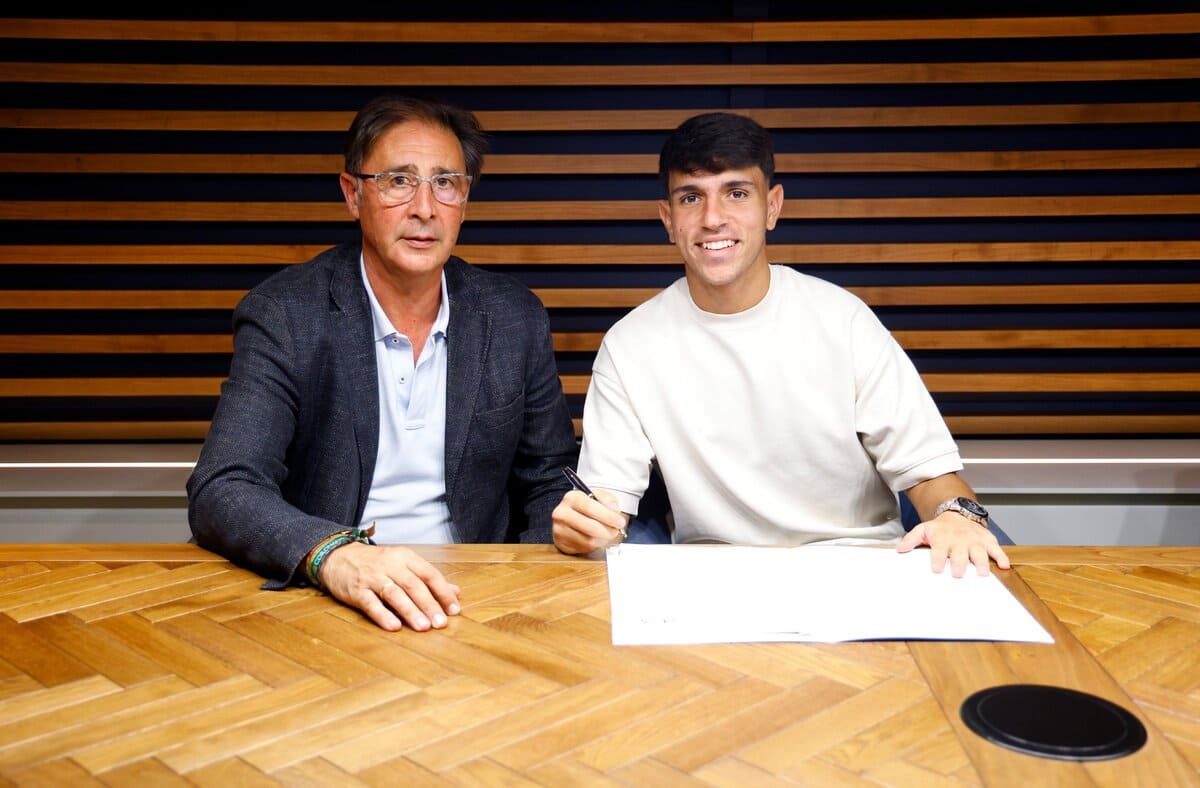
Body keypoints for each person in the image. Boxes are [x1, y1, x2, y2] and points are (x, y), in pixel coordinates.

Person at [552, 112, 1010, 578]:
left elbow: (931, 474)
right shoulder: (630, 346)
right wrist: (586, 526)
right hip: (714, 583)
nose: (713, 219)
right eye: (692, 197)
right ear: (669, 220)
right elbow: (605, 502)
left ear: (772, 207)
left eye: (736, 193)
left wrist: (957, 515)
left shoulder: (843, 321)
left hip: (863, 571)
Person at [188, 94, 578, 631]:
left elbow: (549, 479)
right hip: (325, 595)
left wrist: (521, 593)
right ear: (353, 194)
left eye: (445, 182)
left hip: (472, 596)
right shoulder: (287, 314)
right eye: (398, 181)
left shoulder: (512, 317)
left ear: (465, 198)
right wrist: (334, 556)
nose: (424, 208)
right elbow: (224, 484)